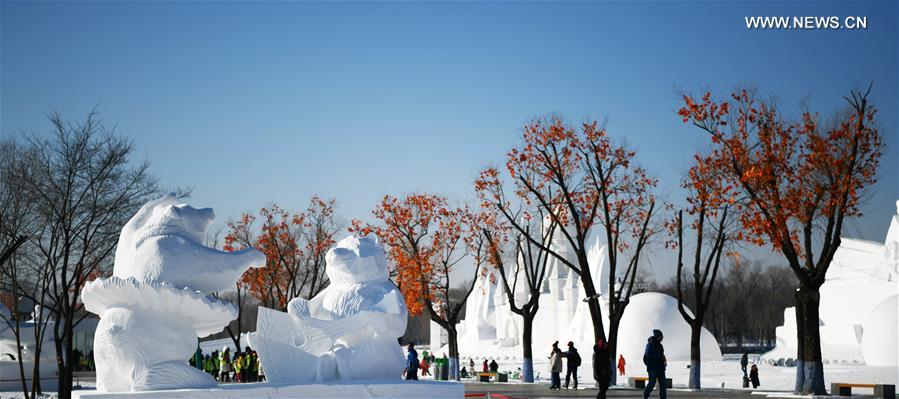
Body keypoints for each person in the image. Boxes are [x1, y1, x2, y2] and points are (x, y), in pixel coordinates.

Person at [642, 329, 667, 399]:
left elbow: (661, 354)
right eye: (661, 336)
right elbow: (648, 355)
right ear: (657, 337)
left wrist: (664, 360)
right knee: (652, 383)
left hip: (661, 368)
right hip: (652, 368)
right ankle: (646, 393)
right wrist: (659, 356)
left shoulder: (660, 345)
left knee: (663, 385)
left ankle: (663, 398)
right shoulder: (650, 345)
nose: (662, 338)